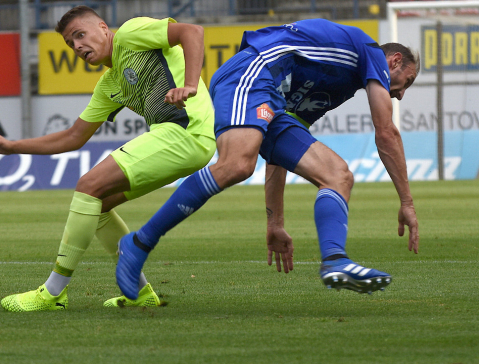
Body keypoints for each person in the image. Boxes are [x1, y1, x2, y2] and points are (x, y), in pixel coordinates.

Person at [116, 19, 421, 301]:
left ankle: (335, 260)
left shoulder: (336, 86)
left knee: (337, 175)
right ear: (393, 61)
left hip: (269, 94)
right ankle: (139, 242)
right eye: (405, 82)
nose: (401, 95)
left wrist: (275, 222)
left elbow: (280, 152)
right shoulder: (370, 52)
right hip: (254, 69)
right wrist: (406, 201)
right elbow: (385, 132)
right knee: (237, 164)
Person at [0, 6, 215, 311]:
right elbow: (73, 137)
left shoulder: (131, 33)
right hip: (180, 140)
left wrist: (191, 85)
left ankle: (53, 292)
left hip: (186, 131)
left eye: (79, 35)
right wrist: (12, 146)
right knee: (97, 205)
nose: (76, 47)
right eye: (70, 44)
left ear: (103, 28)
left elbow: (192, 31)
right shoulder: (110, 84)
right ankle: (141, 293)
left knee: (88, 184)